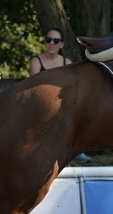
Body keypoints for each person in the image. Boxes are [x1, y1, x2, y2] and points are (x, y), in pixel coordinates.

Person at [28, 29, 90, 163]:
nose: (52, 43)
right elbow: (35, 89)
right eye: (48, 40)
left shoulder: (67, 63)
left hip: (63, 104)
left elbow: (71, 89)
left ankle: (75, 150)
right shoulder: (36, 62)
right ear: (45, 42)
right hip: (41, 104)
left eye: (56, 41)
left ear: (61, 44)